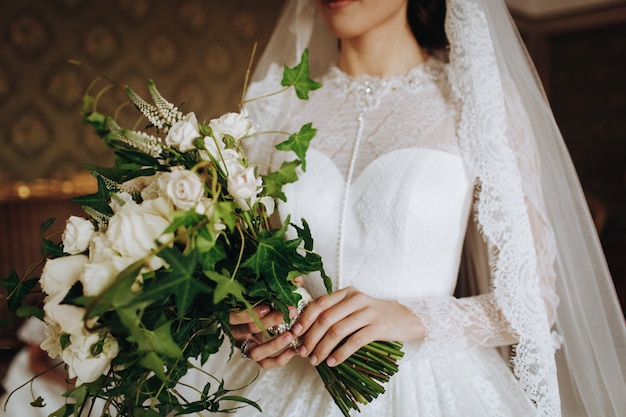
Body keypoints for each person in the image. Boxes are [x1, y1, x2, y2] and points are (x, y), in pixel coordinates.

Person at [184, 0, 626, 416]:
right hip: (281, 381)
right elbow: (245, 254)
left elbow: (534, 301)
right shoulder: (275, 105)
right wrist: (244, 316)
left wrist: (409, 315)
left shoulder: (478, 101)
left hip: (429, 384)